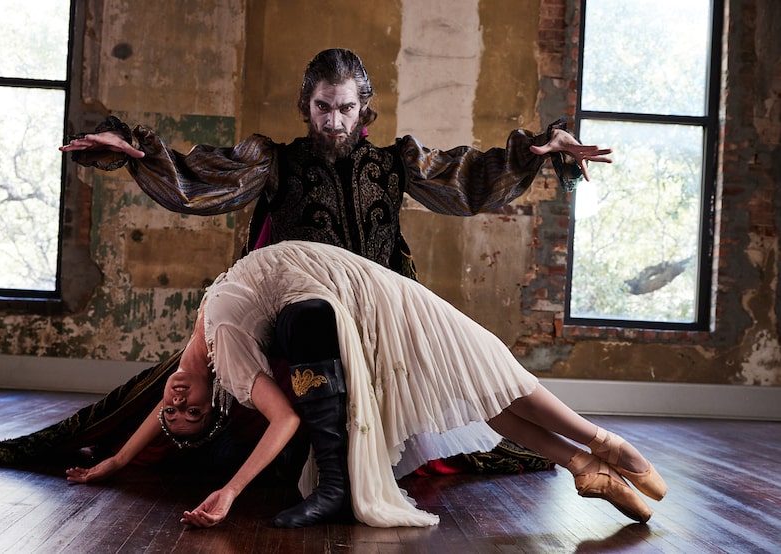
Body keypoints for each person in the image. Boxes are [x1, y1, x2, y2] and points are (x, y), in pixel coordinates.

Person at [58, 47, 612, 526]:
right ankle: (330, 479)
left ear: (363, 107)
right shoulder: (273, 161)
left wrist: (539, 149)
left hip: (377, 313)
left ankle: (591, 454)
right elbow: (199, 177)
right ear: (307, 107)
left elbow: (467, 178)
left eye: (346, 108)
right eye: (322, 107)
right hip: (299, 319)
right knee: (304, 326)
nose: (333, 121)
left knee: (478, 373)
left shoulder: (399, 163)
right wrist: (139, 151)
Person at [69, 240, 665, 528]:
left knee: (479, 378)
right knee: (485, 370)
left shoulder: (197, 355)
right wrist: (232, 491)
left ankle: (591, 459)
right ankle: (596, 450)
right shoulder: (229, 361)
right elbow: (286, 418)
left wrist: (118, 462)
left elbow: (157, 410)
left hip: (351, 282)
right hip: (352, 299)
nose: (174, 401)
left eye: (174, 406)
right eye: (189, 412)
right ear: (214, 402)